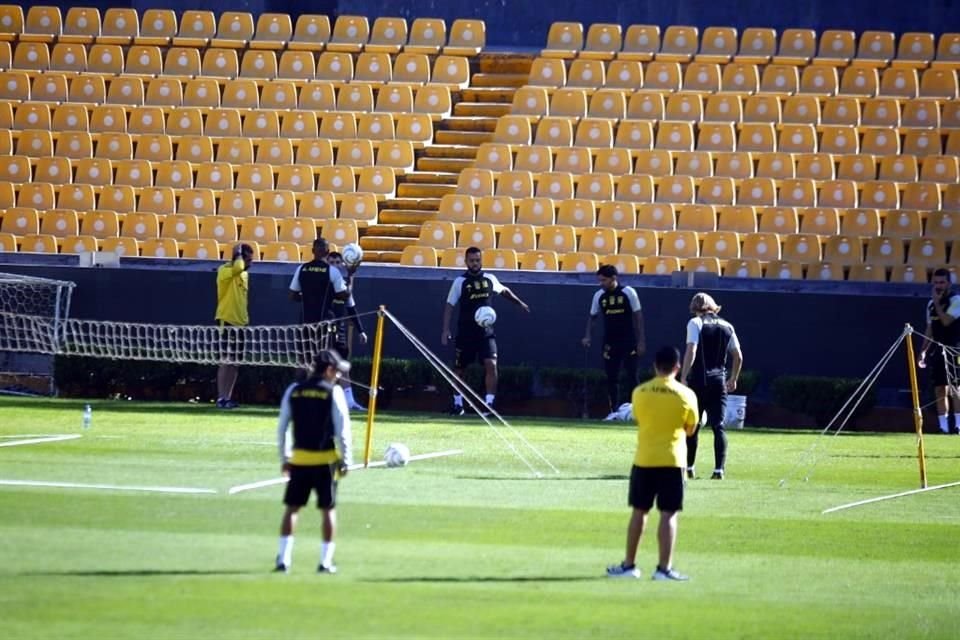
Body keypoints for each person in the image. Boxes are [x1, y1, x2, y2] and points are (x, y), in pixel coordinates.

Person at [607, 346, 698, 581]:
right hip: (673, 461)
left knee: (639, 512)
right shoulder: (686, 395)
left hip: (644, 460)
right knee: (668, 515)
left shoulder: (640, 392)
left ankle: (629, 566)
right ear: (677, 367)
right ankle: (663, 569)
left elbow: (639, 418)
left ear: (655, 366)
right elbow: (691, 430)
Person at [274, 349, 353, 574]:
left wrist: (285, 458)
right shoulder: (334, 392)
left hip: (299, 461)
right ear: (328, 370)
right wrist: (345, 460)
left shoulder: (294, 390)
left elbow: (282, 429)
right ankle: (325, 562)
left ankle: (283, 560)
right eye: (337, 371)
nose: (338, 376)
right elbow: (343, 431)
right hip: (326, 462)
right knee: (328, 510)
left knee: (292, 509)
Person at [441, 246, 530, 416]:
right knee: (459, 370)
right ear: (466, 262)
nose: (475, 263)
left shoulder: (490, 279)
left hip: (486, 333)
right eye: (472, 260)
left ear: (481, 260)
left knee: (492, 364)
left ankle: (489, 405)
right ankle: (458, 404)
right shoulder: (460, 282)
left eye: (477, 260)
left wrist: (519, 303)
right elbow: (449, 305)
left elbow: (504, 291)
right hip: (466, 333)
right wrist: (445, 329)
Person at [679, 293, 743, 480]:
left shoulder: (695, 323)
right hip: (719, 382)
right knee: (718, 426)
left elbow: (692, 349)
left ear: (694, 308)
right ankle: (719, 470)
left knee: (693, 425)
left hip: (698, 382)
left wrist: (683, 376)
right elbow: (738, 356)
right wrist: (733, 378)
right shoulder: (727, 326)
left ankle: (689, 467)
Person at [581, 265, 646, 420]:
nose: (601, 283)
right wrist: (587, 336)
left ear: (613, 279)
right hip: (610, 342)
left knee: (632, 375)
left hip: (629, 341)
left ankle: (635, 411)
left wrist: (641, 341)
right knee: (612, 378)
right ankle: (614, 411)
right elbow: (593, 317)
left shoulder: (628, 292)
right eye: (599, 280)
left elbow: (638, 317)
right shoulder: (599, 296)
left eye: (603, 280)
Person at [288, 238, 349, 357]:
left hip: (305, 323)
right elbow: (344, 295)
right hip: (324, 324)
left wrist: (307, 297)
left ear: (312, 251)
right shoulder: (332, 271)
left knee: (304, 360)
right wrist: (350, 278)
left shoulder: (302, 268)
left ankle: (300, 376)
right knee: (324, 361)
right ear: (328, 252)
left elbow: (292, 295)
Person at [919, 268, 960, 435]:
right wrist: (923, 351)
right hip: (937, 350)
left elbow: (946, 321)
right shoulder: (930, 305)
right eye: (935, 282)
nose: (938, 286)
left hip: (955, 349)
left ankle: (958, 425)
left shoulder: (956, 300)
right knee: (939, 389)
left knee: (956, 387)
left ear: (949, 284)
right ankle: (943, 427)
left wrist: (937, 303)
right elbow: (930, 328)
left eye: (942, 282)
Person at [326, 250, 369, 411]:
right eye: (332, 263)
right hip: (324, 330)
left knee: (342, 366)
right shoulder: (324, 283)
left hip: (340, 329)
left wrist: (361, 331)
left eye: (338, 262)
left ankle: (350, 401)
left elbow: (351, 309)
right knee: (323, 365)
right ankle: (322, 399)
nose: (335, 266)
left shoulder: (344, 285)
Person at [214, 243, 255, 409]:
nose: (251, 263)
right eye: (248, 259)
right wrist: (237, 254)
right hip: (227, 320)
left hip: (240, 323)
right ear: (239, 257)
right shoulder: (224, 270)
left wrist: (245, 319)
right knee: (225, 361)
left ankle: (228, 397)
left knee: (235, 363)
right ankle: (221, 398)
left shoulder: (245, 274)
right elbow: (237, 268)